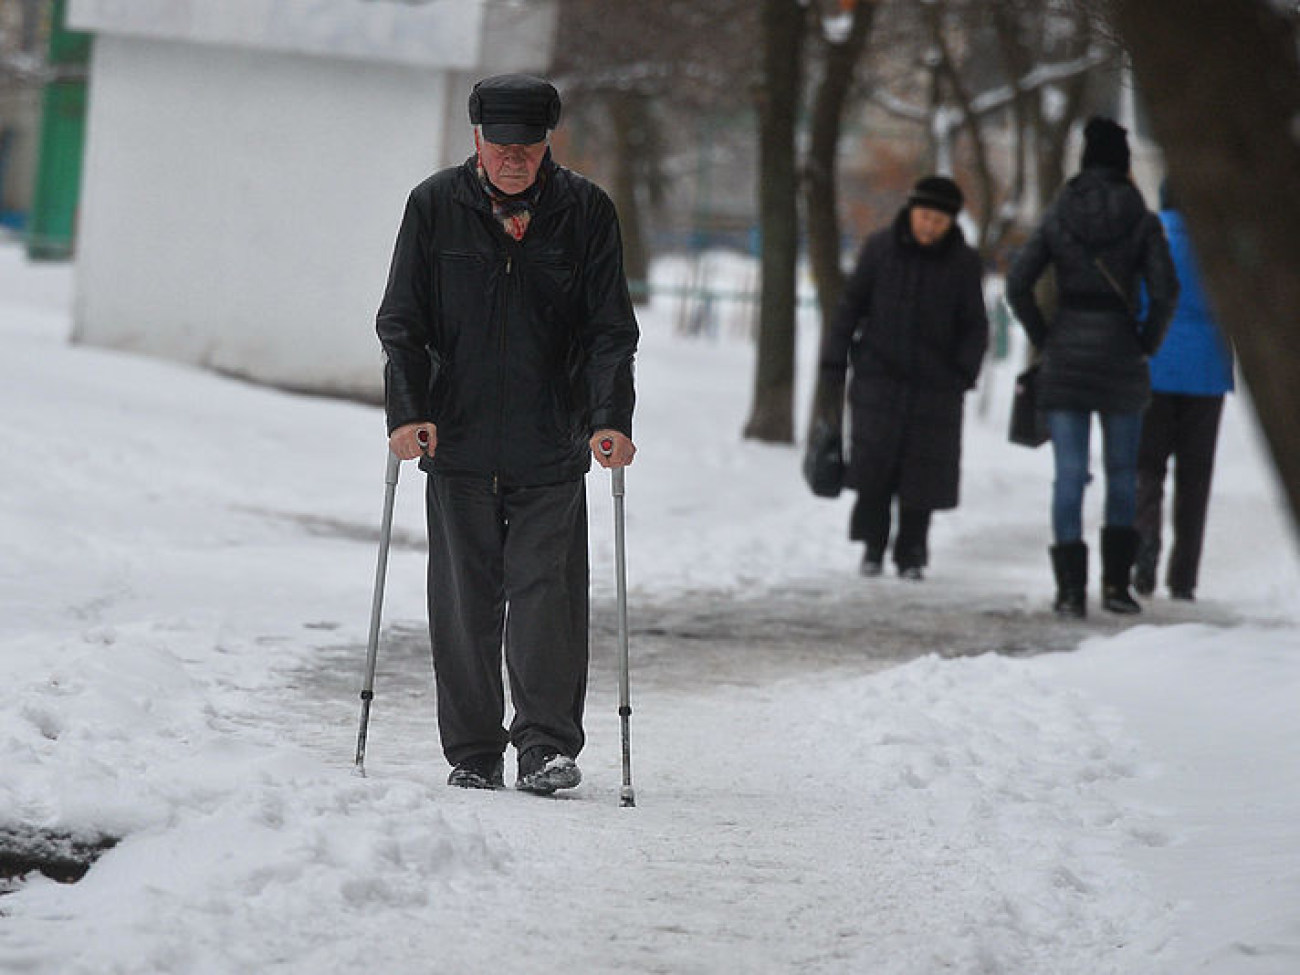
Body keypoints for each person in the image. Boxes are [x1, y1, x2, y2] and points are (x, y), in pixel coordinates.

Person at [375, 74, 638, 794]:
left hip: (550, 442)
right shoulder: (434, 207)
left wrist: (609, 417)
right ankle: (473, 751)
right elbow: (403, 322)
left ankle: (546, 746)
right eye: (501, 145)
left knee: (546, 597)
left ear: (547, 141)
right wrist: (407, 411)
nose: (514, 158)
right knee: (464, 602)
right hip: (453, 441)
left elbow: (610, 330)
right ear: (477, 141)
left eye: (527, 145)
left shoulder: (585, 211)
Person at [1006, 116, 1179, 618]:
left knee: (1069, 474)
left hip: (1066, 353)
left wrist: (1045, 337)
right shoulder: (1142, 218)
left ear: (1084, 160)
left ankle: (1069, 591)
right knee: (1123, 474)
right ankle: (1116, 588)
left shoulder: (1060, 212)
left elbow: (1018, 283)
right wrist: (1145, 340)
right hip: (1121, 354)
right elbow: (1167, 290)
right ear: (1124, 164)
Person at [819, 175, 989, 580]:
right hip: (880, 378)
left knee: (923, 473)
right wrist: (834, 360)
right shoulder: (880, 249)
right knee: (874, 467)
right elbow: (850, 307)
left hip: (936, 386)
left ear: (951, 223)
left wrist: (961, 374)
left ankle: (912, 552)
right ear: (912, 211)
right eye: (925, 216)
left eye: (939, 220)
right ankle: (873, 548)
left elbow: (975, 325)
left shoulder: (964, 263)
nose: (930, 226)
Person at [1133, 180, 1234, 601]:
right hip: (1207, 372)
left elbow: (1134, 301)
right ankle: (1184, 576)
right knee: (1195, 477)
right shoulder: (1219, 247)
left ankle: (1143, 551)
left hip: (1153, 368)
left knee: (1147, 468)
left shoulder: (1146, 237)